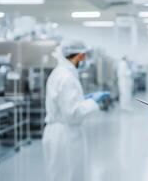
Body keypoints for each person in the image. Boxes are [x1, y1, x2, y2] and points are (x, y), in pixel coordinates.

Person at [42, 40, 110, 181]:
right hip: (65, 135)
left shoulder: (60, 73)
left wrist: (83, 100)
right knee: (68, 175)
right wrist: (93, 102)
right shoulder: (67, 77)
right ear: (80, 56)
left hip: (58, 132)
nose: (85, 60)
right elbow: (73, 114)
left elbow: (65, 105)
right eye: (84, 56)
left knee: (60, 174)